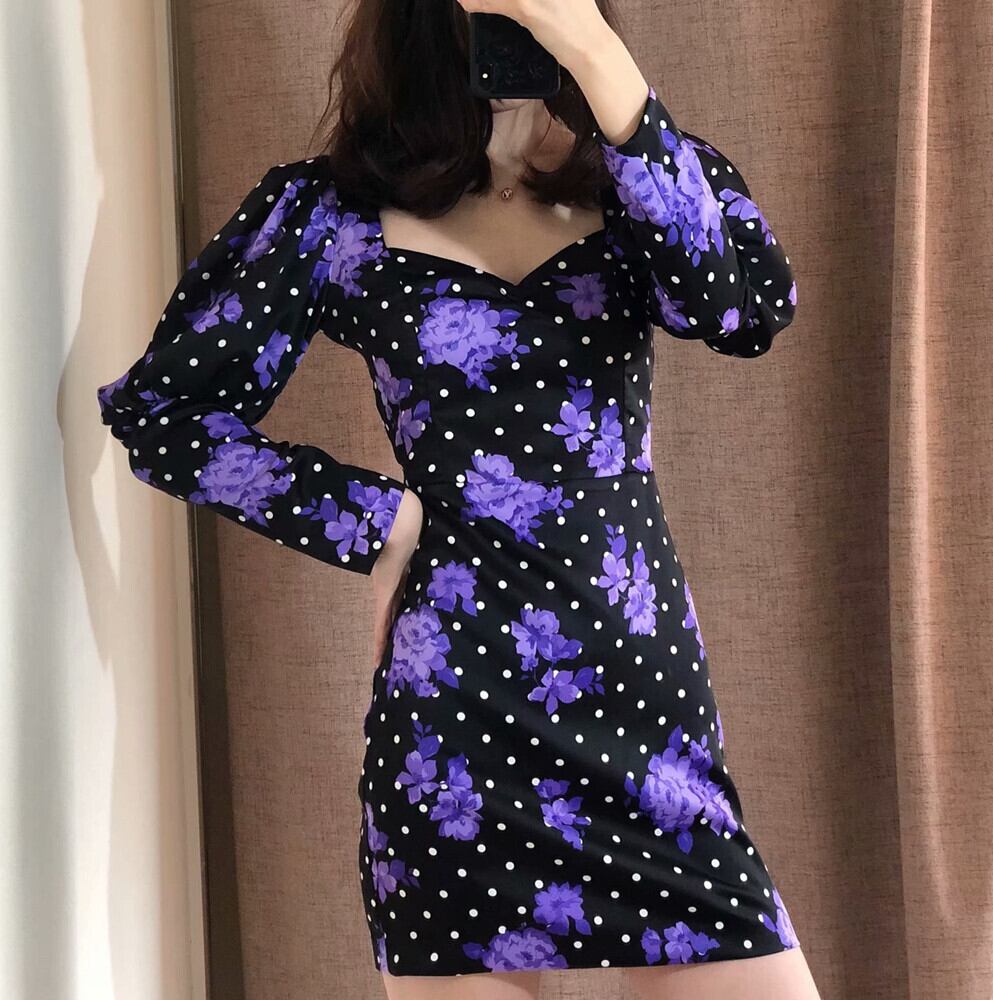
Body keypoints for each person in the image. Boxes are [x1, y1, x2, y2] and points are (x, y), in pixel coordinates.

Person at [97, 1, 821, 997]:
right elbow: (162, 413)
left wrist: (596, 58)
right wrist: (379, 521)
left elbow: (744, 308)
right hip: (454, 735)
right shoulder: (331, 213)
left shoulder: (643, 180)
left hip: (643, 716)